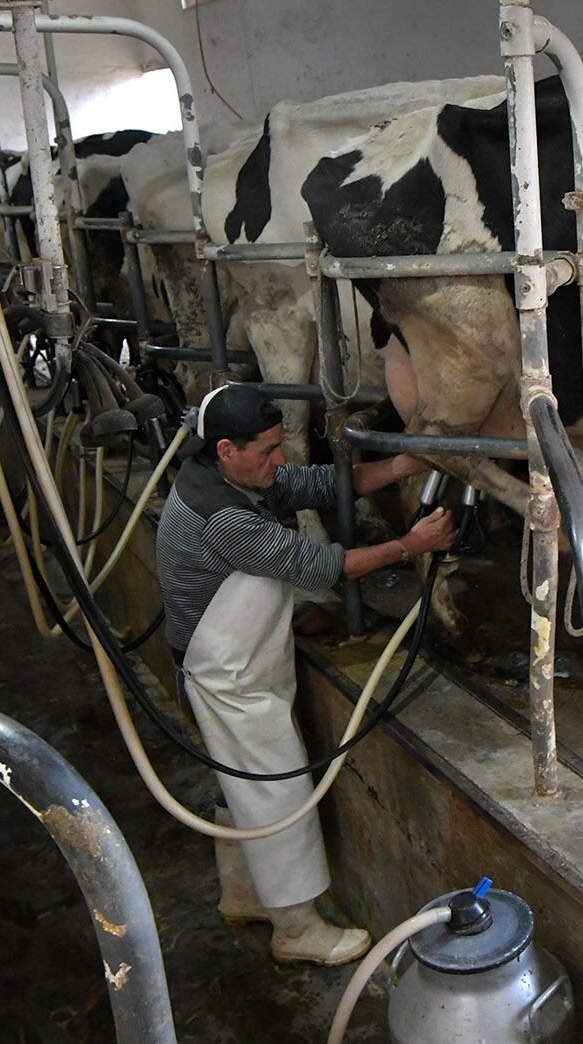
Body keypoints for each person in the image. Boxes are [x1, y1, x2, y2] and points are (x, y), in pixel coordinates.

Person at [155, 384, 455, 965]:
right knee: (275, 789)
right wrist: (410, 544)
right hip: (222, 674)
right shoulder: (220, 517)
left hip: (237, 662)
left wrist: (403, 462)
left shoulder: (239, 480)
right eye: (267, 449)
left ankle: (242, 893)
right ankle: (296, 930)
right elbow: (323, 564)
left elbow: (322, 484)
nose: (280, 459)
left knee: (238, 784)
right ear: (225, 449)